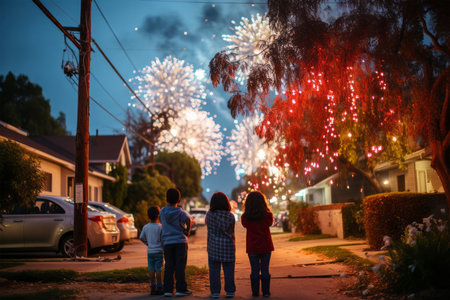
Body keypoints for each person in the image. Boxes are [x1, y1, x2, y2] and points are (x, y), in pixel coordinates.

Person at [159, 188, 193, 297]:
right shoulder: (180, 212)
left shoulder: (163, 211)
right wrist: (186, 231)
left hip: (167, 242)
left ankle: (168, 290)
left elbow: (161, 220)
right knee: (180, 266)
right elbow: (188, 220)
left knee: (168, 266)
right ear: (178, 200)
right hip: (180, 241)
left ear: (166, 198)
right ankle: (180, 289)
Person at [241, 191, 274, 297]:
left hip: (252, 247)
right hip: (266, 246)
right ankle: (266, 292)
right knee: (265, 270)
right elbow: (269, 223)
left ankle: (255, 292)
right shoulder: (268, 215)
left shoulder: (245, 217)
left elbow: (244, 224)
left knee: (254, 270)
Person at [206, 192, 236, 299]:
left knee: (214, 270)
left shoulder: (209, 215)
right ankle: (230, 291)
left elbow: (208, 226)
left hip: (214, 247)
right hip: (228, 247)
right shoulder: (231, 217)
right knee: (229, 270)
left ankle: (215, 292)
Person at [140, 206, 164, 295]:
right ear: (159, 215)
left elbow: (141, 237)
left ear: (148, 216)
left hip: (150, 251)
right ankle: (160, 287)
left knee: (151, 269)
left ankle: (153, 288)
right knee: (158, 269)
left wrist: (147, 243)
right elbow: (163, 238)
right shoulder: (161, 227)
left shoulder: (146, 227)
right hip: (159, 251)